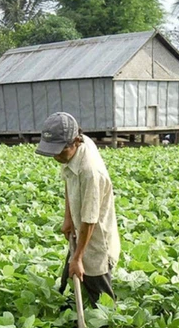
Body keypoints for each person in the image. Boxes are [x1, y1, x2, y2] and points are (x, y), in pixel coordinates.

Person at [35, 112, 120, 307]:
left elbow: (90, 219)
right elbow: (68, 179)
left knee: (101, 298)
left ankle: (107, 324)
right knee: (70, 279)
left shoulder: (90, 172)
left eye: (59, 151)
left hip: (96, 236)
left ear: (75, 142)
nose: (56, 156)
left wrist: (79, 257)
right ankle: (68, 308)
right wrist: (68, 218)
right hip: (80, 226)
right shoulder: (71, 152)